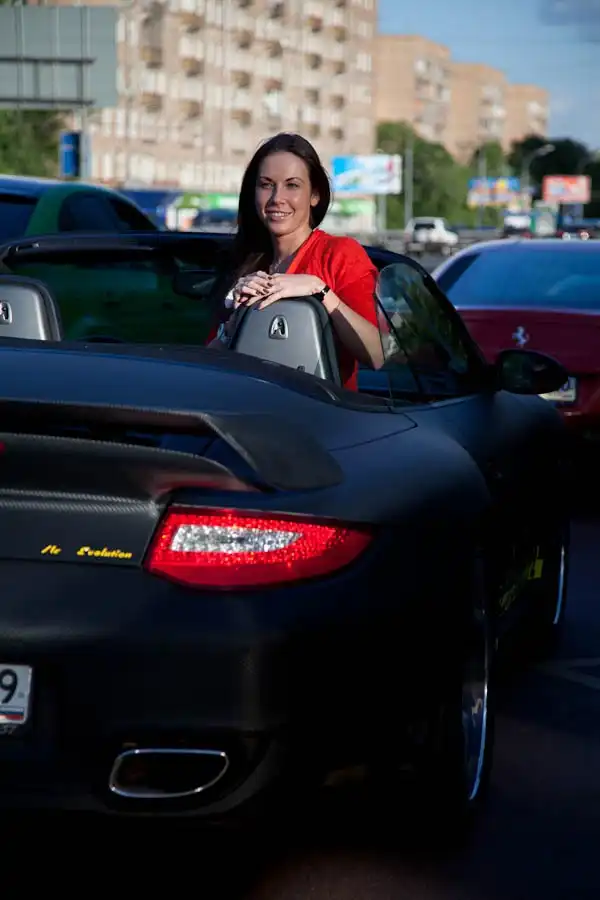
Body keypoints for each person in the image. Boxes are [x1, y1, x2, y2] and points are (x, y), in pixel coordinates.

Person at [206, 132, 383, 390]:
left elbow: (376, 354)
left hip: (322, 411)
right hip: (250, 409)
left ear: (315, 195)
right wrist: (236, 320)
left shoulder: (340, 254)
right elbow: (208, 366)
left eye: (292, 185)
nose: (277, 198)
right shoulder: (246, 263)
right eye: (266, 184)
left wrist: (320, 291)